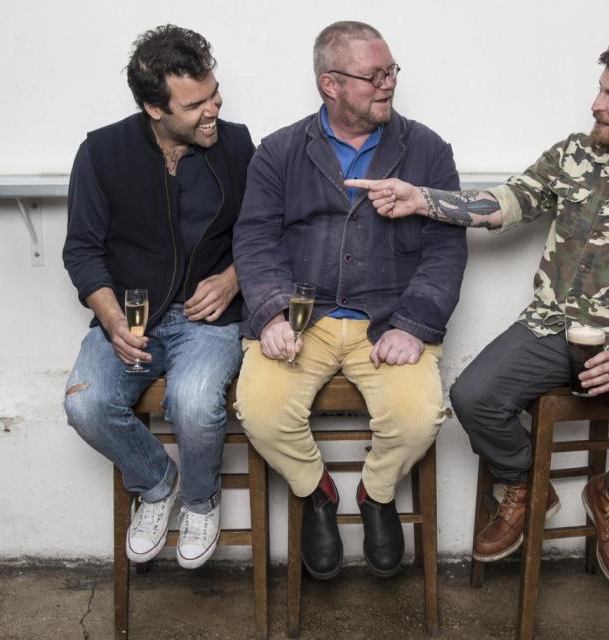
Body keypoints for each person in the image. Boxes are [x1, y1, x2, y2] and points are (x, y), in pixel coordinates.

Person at [348, 37, 609, 588]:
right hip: (552, 324)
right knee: (472, 397)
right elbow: (508, 202)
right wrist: (421, 198)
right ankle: (526, 484)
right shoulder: (576, 154)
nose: (596, 105)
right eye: (600, 90)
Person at [232, 21, 467, 580]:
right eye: (374, 76)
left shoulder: (427, 149)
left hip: (388, 320)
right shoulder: (280, 151)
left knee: (416, 419)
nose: (388, 85)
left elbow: (445, 250)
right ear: (330, 84)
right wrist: (268, 311)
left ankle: (377, 494)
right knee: (260, 414)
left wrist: (413, 324)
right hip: (300, 319)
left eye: (391, 72)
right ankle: (317, 494)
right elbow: (255, 237)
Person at [62, 25, 254, 569]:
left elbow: (267, 232)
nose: (213, 109)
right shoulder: (101, 152)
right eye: (195, 105)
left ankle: (200, 501)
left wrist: (234, 277)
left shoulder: (238, 143)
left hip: (208, 319)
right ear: (154, 107)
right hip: (131, 316)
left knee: (192, 405)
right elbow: (81, 250)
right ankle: (156, 484)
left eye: (214, 94)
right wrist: (111, 318)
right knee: (85, 404)